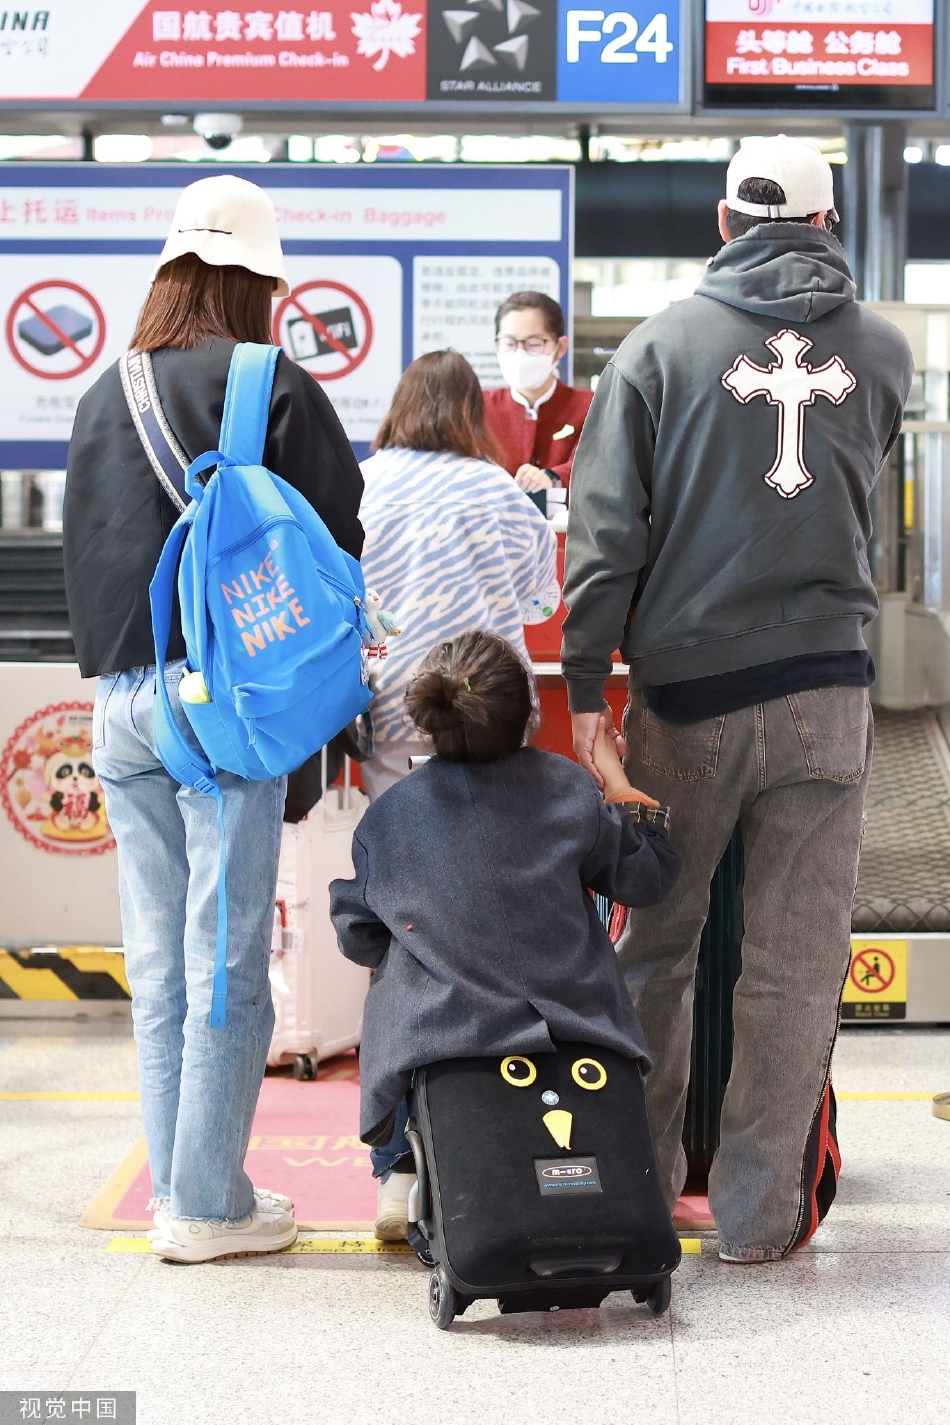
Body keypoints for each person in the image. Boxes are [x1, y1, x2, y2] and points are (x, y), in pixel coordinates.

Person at [561, 135, 914, 1264]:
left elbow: (605, 536)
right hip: (827, 694)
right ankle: (760, 1222)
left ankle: (643, 1188)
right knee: (796, 965)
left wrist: (582, 690)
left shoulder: (659, 347)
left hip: (689, 698)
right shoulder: (883, 352)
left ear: (721, 221)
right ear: (826, 224)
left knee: (655, 951)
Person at [63, 175, 365, 1263]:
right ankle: (204, 1207)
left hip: (117, 709)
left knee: (159, 963)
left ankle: (181, 1191)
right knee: (227, 960)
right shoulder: (263, 383)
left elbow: (86, 554)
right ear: (257, 282)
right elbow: (338, 537)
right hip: (218, 713)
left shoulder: (108, 390)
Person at [329, 630, 680, 1240]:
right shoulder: (569, 789)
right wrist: (623, 794)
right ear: (528, 713)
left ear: (429, 722)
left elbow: (356, 932)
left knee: (400, 969)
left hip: (445, 1029)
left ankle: (400, 1168)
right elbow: (644, 880)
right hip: (571, 1014)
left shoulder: (391, 816)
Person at [358, 349, 560, 803]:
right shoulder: (499, 487)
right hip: (492, 704)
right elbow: (540, 601)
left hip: (394, 701)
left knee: (401, 843)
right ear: (472, 412)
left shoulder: (363, 485)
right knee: (494, 846)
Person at [484, 291, 593, 494]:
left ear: (560, 347)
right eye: (508, 343)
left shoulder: (588, 406)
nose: (520, 354)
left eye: (533, 344)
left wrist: (554, 478)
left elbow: (594, 464)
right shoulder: (480, 408)